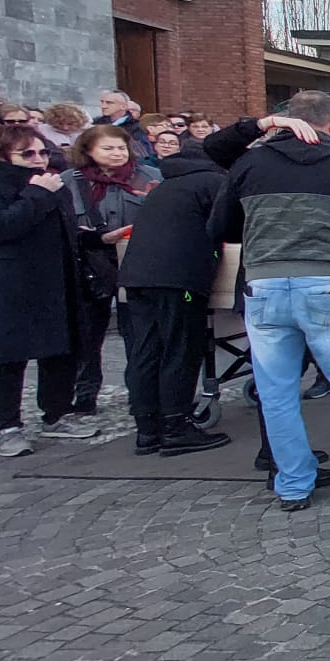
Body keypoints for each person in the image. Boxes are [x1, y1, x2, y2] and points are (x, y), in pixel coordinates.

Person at [208, 91, 330, 511]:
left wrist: (262, 127)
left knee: (276, 391)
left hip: (266, 283)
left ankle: (293, 483)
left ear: (286, 120)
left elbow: (222, 224)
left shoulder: (250, 163)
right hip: (329, 280)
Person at [0, 123, 99, 455]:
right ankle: (6, 426)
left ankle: (56, 413)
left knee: (59, 349)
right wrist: (38, 194)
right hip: (1, 282)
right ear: (1, 155)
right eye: (27, 154)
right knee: (6, 357)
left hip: (52, 277)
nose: (38, 159)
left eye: (42, 152)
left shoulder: (50, 181)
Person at [115, 138, 235, 458]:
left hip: (137, 276)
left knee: (145, 349)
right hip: (179, 279)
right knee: (180, 348)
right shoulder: (213, 183)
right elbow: (232, 226)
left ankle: (147, 429)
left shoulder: (166, 186)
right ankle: (175, 427)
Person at [60, 122, 158, 415]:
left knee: (138, 333)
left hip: (136, 262)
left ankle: (140, 394)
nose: (117, 154)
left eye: (121, 148)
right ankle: (85, 394)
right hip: (90, 265)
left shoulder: (149, 176)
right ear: (89, 150)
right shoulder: (69, 180)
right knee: (88, 335)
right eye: (108, 148)